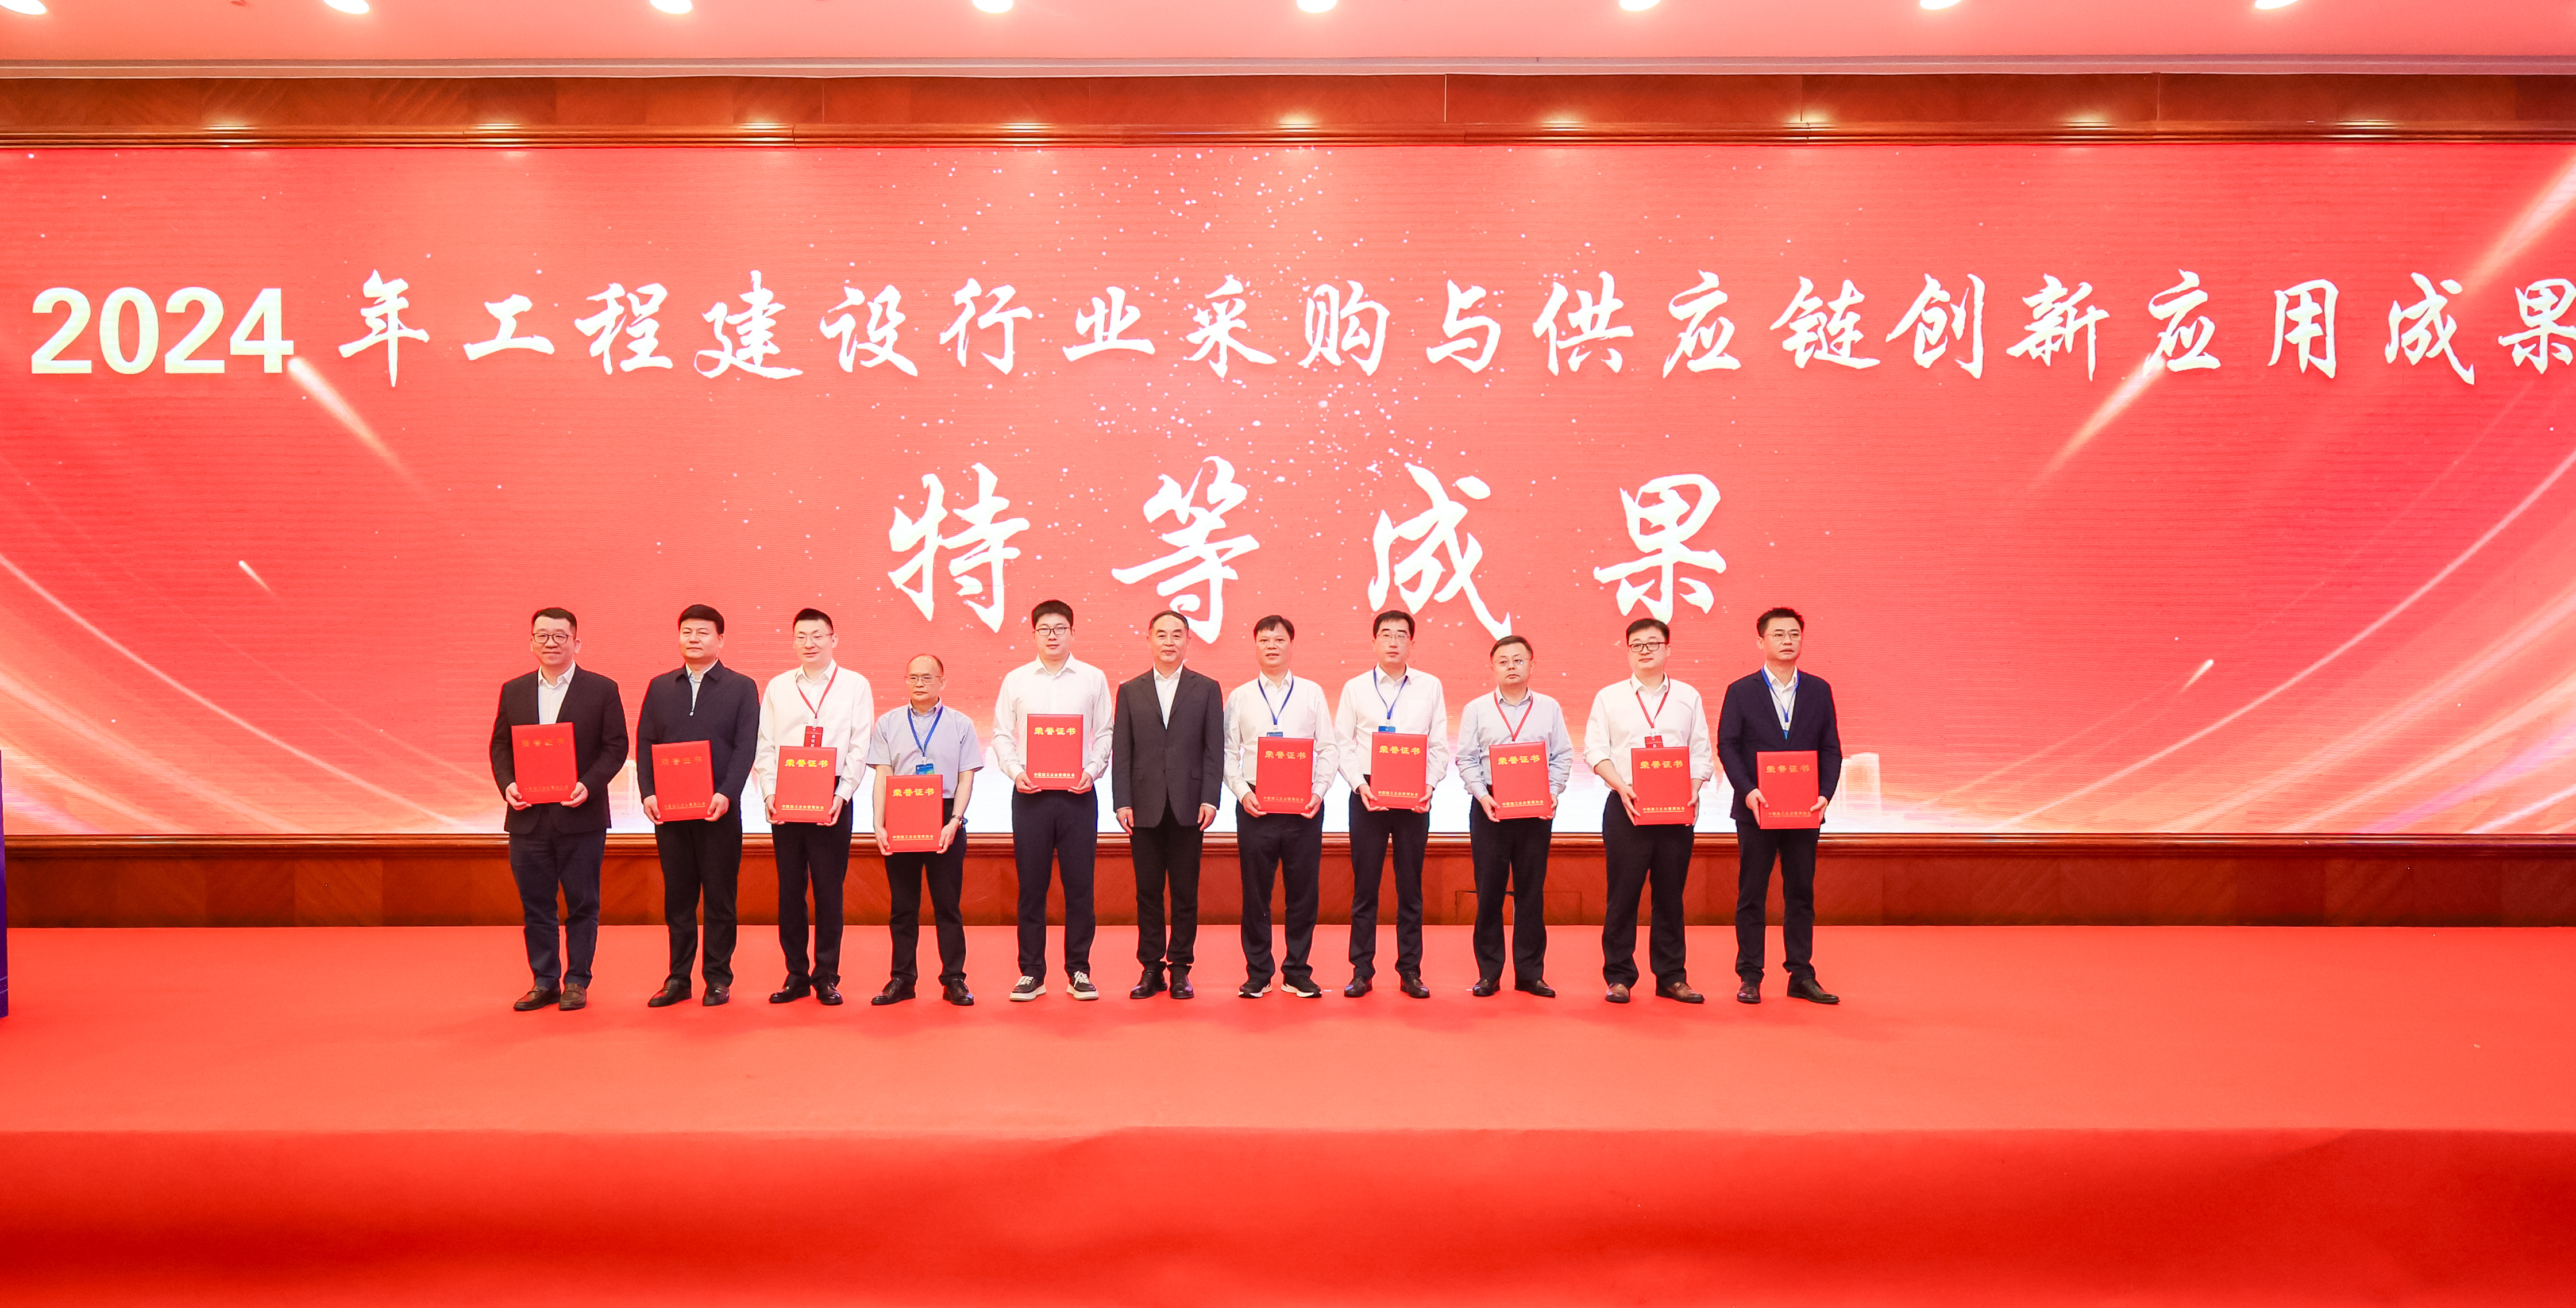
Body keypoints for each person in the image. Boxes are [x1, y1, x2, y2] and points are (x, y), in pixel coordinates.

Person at [487, 607, 627, 1013]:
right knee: (536, 905)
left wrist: (589, 784)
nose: (551, 643)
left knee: (583, 903)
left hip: (581, 815)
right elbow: (500, 746)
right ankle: (544, 981)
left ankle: (577, 981)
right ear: (532, 642)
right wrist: (508, 785)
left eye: (560, 636)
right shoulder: (513, 690)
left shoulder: (602, 689)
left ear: (576, 643)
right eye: (543, 636)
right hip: (528, 817)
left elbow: (616, 746)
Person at [1715, 607, 1844, 1006]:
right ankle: (1750, 975)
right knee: (1752, 893)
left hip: (1805, 809)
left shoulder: (1819, 690)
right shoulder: (1741, 690)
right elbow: (1728, 746)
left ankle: (1801, 974)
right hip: (1757, 809)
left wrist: (1825, 794)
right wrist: (1748, 791)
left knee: (1800, 893)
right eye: (1778, 634)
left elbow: (1831, 748)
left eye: (1794, 634)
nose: (1787, 641)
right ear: (1761, 641)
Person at [1582, 617, 1715, 1005]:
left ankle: (1671, 977)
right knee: (1622, 896)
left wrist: (1693, 790)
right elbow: (1595, 750)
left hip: (1676, 809)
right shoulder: (1609, 697)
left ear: (1668, 649)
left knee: (1670, 896)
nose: (1645, 651)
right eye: (1637, 645)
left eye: (1653, 643)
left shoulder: (1688, 696)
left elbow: (1701, 752)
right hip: (1627, 807)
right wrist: (1620, 786)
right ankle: (1619, 976)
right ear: (1628, 652)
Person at [635, 604, 760, 1009]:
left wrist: (728, 793)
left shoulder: (741, 687)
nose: (694, 638)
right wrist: (648, 793)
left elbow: (746, 746)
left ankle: (718, 979)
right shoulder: (659, 687)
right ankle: (678, 979)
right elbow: (645, 742)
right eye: (687, 631)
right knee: (679, 897)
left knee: (720, 898)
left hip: (718, 811)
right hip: (671, 814)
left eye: (703, 632)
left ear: (720, 639)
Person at [990, 599, 1116, 1002]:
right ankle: (1031, 972)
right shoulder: (1016, 680)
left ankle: (1079, 970)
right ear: (1034, 635)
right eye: (1044, 629)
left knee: (1080, 887)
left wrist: (1092, 770)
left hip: (1079, 796)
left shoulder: (1093, 678)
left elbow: (1106, 732)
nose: (1052, 636)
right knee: (1032, 886)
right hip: (1032, 796)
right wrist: (1016, 772)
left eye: (1060, 628)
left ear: (1073, 633)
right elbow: (1001, 734)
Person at [752, 608, 873, 1007]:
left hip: (832, 793)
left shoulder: (855, 685)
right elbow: (765, 745)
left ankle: (826, 975)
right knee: (790, 889)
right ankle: (796, 974)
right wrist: (769, 794)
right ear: (793, 642)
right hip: (787, 793)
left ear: (834, 640)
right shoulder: (778, 686)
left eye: (818, 636)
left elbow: (860, 744)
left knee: (828, 889)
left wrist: (844, 794)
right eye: (802, 636)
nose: (810, 643)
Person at [1332, 609, 1450, 999]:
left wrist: (1430, 785)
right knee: (1365, 887)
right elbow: (1342, 743)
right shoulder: (1355, 688)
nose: (1394, 641)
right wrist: (1358, 785)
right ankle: (1361, 971)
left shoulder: (1430, 686)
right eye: (1386, 634)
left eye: (1401, 635)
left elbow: (1438, 744)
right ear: (1374, 642)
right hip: (1368, 794)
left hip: (1414, 796)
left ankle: (1410, 971)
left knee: (1410, 887)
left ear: (1412, 643)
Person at [1453, 634, 1576, 998]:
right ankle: (1489, 973)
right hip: (1491, 807)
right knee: (1489, 893)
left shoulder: (1549, 707)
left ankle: (1530, 974)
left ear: (1531, 666)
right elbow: (1466, 758)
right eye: (1504, 661)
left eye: (1519, 660)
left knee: (1531, 893)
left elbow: (1563, 755)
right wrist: (1482, 796)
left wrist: (1553, 793)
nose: (1511, 667)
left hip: (1536, 810)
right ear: (1492, 667)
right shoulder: (1477, 709)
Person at [1223, 614, 1339, 999]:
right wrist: (1242, 793)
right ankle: (1258, 972)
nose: (1272, 646)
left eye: (1279, 639)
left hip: (1304, 805)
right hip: (1256, 804)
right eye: (1264, 640)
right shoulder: (1240, 696)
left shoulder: (1311, 692)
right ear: (1255, 646)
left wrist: (1319, 792)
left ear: (1292, 645)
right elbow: (1227, 753)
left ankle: (1297, 971)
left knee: (1303, 892)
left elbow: (1328, 748)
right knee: (1256, 893)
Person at [1111, 610, 1225, 1001]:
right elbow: (1122, 750)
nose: (1169, 642)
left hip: (1189, 805)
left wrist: (1211, 797)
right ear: (1149, 639)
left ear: (1188, 640)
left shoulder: (1206, 688)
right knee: (1147, 891)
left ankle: (1180, 968)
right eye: (1162, 634)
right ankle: (1150, 968)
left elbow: (1214, 750)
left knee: (1184, 891)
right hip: (1143, 806)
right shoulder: (1130, 690)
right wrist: (1122, 801)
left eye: (1177, 635)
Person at [864, 654, 982, 1007]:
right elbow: (883, 776)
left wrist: (955, 820)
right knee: (903, 906)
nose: (919, 683)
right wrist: (878, 823)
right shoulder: (888, 723)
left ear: (942, 682)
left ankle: (954, 979)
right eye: (913, 677)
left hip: (945, 816)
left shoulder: (961, 724)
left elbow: (966, 778)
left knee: (948, 905)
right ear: (906, 680)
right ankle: (902, 979)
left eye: (928, 678)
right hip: (901, 813)